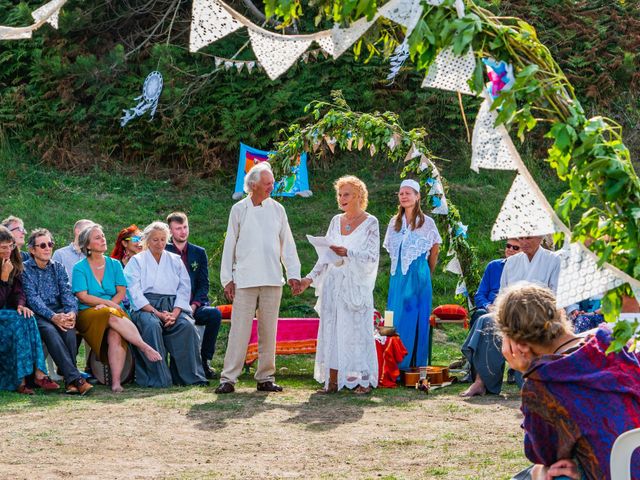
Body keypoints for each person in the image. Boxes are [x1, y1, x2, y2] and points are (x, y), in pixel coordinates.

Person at [496, 283, 640, 480]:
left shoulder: (543, 382)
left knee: (544, 473)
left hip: (613, 473)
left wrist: (529, 372)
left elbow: (541, 454)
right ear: (561, 312)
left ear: (517, 344)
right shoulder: (614, 342)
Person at [216, 162, 301, 394]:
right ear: (253, 185)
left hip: (273, 279)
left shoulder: (278, 210)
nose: (271, 187)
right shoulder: (239, 210)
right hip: (244, 279)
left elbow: (288, 244)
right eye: (267, 183)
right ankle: (228, 378)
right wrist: (227, 279)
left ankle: (265, 377)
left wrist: (293, 274)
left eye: (272, 183)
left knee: (268, 330)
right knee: (239, 330)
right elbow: (229, 245)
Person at [298, 175, 379, 394]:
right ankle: (332, 380)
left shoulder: (371, 222)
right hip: (334, 285)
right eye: (339, 194)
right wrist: (308, 279)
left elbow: (372, 256)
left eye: (347, 194)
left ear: (358, 196)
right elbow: (325, 255)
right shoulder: (336, 221)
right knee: (332, 330)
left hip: (355, 285)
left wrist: (348, 252)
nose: (342, 198)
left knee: (357, 332)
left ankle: (361, 380)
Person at [461, 235, 561, 396]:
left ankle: (531, 381)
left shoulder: (553, 260)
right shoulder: (512, 263)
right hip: (511, 314)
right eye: (521, 238)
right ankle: (481, 382)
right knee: (486, 320)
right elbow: (502, 295)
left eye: (529, 237)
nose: (524, 242)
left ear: (541, 237)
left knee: (525, 326)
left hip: (539, 316)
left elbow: (556, 296)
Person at [72, 224, 162, 392]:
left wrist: (110, 304)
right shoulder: (79, 268)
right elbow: (83, 296)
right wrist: (109, 304)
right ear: (88, 245)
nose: (103, 239)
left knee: (114, 334)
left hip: (114, 311)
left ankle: (116, 382)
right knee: (109, 312)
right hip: (89, 313)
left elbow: (121, 291)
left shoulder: (114, 265)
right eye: (97, 238)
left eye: (103, 236)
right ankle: (143, 346)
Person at [124, 221, 208, 388]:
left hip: (172, 305)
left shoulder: (175, 260)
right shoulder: (137, 261)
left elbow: (184, 288)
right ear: (147, 241)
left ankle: (189, 376)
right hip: (147, 307)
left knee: (186, 326)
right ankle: (158, 378)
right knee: (151, 325)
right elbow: (134, 291)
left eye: (163, 239)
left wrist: (175, 313)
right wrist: (157, 313)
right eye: (155, 240)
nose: (160, 243)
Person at [22, 229, 92, 395]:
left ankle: (70, 381)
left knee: (68, 330)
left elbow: (67, 293)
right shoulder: (24, 270)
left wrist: (71, 313)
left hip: (59, 311)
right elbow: (33, 299)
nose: (48, 248)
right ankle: (77, 379)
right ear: (32, 250)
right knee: (51, 332)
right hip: (38, 314)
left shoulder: (58, 267)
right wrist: (53, 317)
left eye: (50, 244)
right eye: (43, 245)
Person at [382, 179, 441, 372]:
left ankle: (412, 366)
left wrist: (426, 273)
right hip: (398, 276)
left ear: (417, 196)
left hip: (418, 275)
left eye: (408, 193)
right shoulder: (394, 223)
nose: (404, 196)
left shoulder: (427, 223)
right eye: (401, 193)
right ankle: (393, 365)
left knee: (414, 318)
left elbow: (435, 250)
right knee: (395, 317)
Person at [0, 225, 58, 394]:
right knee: (18, 321)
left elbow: (19, 290)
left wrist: (20, 304)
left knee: (27, 316)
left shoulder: (14, 260)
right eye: (4, 247)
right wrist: (3, 279)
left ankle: (38, 374)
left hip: (8, 311)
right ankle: (21, 380)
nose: (9, 250)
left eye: (11, 246)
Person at [165, 212, 222, 380]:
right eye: (178, 228)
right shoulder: (164, 251)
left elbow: (204, 284)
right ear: (170, 231)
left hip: (193, 305)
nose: (183, 232)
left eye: (185, 227)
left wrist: (195, 305)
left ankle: (204, 361)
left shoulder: (198, 252)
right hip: (171, 306)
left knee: (214, 314)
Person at [472, 238, 521, 325]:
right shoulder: (493, 266)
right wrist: (488, 306)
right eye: (508, 246)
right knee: (479, 314)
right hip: (490, 308)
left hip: (511, 310)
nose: (510, 249)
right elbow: (480, 294)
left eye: (515, 248)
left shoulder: (524, 270)